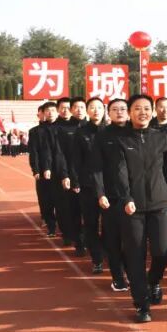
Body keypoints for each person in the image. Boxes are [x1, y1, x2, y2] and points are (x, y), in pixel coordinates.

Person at [111, 94, 167, 323]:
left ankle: (154, 281)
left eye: (146, 108)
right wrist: (126, 198)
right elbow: (119, 173)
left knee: (162, 252)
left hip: (160, 203)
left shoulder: (162, 138)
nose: (142, 112)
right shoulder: (121, 140)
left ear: (152, 112)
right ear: (130, 113)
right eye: (137, 108)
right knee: (135, 255)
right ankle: (142, 304)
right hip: (132, 207)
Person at [92, 98, 131, 292]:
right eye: (115, 109)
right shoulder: (102, 135)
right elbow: (96, 167)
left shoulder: (135, 132)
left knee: (132, 240)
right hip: (111, 197)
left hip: (135, 195)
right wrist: (100, 193)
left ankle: (131, 272)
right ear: (109, 113)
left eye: (123, 108)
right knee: (113, 239)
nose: (119, 112)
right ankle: (118, 277)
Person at [72, 97, 108, 274]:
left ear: (104, 110)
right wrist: (76, 181)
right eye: (92, 107)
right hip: (88, 186)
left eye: (99, 107)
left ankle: (108, 252)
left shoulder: (111, 131)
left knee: (110, 225)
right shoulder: (81, 133)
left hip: (109, 186)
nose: (96, 110)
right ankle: (96, 259)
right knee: (91, 224)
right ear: (87, 111)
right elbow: (76, 160)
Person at [53, 97, 86, 255]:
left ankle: (90, 241)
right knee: (73, 211)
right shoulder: (63, 129)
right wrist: (65, 175)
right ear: (71, 109)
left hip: (91, 178)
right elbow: (60, 154)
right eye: (76, 107)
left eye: (82, 107)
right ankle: (78, 242)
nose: (79, 110)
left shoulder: (93, 127)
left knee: (91, 213)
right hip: (72, 176)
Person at [28, 103, 59, 237]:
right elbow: (34, 152)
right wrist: (36, 170)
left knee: (62, 201)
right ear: (43, 113)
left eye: (53, 110)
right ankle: (50, 226)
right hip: (42, 171)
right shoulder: (36, 131)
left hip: (60, 170)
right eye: (47, 110)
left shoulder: (62, 128)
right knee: (46, 200)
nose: (50, 113)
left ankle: (64, 227)